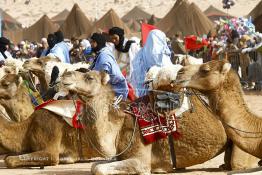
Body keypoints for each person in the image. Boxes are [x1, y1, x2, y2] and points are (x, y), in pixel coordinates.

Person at [130, 29, 172, 97]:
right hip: (161, 94)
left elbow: (135, 73)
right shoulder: (163, 56)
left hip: (144, 92)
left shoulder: (140, 54)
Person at [89, 33, 129, 100]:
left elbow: (100, 76)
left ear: (98, 42)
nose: (91, 44)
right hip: (110, 88)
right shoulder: (102, 53)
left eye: (93, 42)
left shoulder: (104, 55)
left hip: (116, 92)